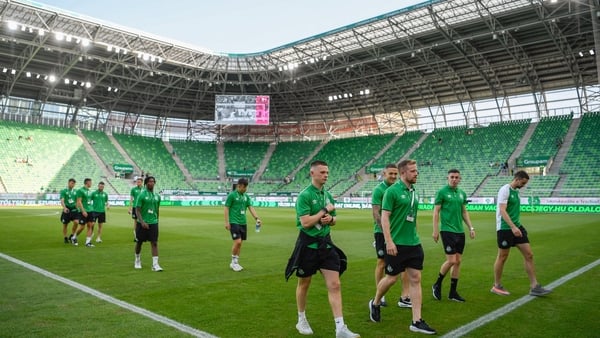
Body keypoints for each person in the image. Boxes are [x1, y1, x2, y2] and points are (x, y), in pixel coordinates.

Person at [285, 160, 359, 338]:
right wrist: (323, 212)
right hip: (308, 246)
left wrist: (330, 220)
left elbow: (334, 219)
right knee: (304, 283)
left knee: (335, 284)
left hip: (326, 245)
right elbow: (305, 222)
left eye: (327, 172)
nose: (326, 175)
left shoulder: (328, 194)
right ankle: (301, 319)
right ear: (312, 174)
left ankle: (340, 328)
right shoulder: (304, 195)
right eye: (322, 172)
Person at [369, 160, 436, 335]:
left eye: (417, 171)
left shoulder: (414, 192)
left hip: (413, 243)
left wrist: (416, 236)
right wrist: (389, 241)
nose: (416, 173)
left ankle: (416, 321)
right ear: (403, 173)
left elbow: (413, 217)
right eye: (413, 171)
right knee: (391, 278)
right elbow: (384, 218)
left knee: (415, 279)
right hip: (396, 243)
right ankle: (375, 302)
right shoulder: (391, 192)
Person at [491, 170, 551, 297]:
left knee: (529, 255)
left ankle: (535, 286)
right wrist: (512, 227)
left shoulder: (516, 192)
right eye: (523, 182)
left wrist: (516, 226)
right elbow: (502, 210)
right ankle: (496, 285)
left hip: (517, 227)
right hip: (505, 228)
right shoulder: (505, 190)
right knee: (502, 257)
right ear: (517, 179)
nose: (523, 185)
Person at [431, 169, 475, 302]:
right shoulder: (442, 192)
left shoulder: (462, 193)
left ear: (460, 179)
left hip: (460, 232)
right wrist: (435, 230)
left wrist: (471, 227)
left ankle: (452, 292)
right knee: (451, 260)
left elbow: (464, 212)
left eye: (457, 177)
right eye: (452, 177)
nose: (454, 179)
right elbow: (436, 212)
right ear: (447, 178)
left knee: (458, 262)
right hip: (447, 230)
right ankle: (437, 284)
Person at [371, 163, 411, 308]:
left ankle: (405, 296)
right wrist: (386, 232)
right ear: (384, 173)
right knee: (381, 263)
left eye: (395, 174)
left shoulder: (400, 188)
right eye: (390, 174)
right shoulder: (379, 190)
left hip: (400, 232)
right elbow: (376, 213)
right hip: (382, 233)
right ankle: (380, 296)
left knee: (405, 265)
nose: (393, 176)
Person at [224, 178, 261, 272]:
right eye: (244, 187)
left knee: (240, 244)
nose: (246, 189)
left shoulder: (246, 196)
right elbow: (226, 208)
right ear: (239, 186)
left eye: (246, 187)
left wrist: (257, 218)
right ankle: (233, 262)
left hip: (243, 222)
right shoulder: (232, 195)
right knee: (238, 242)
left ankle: (236, 263)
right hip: (234, 221)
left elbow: (250, 207)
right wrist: (227, 222)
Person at [134, 176, 163, 271]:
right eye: (150, 181)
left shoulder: (157, 196)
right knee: (139, 242)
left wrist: (157, 220)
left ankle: (155, 265)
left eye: (153, 181)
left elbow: (157, 209)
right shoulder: (141, 195)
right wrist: (142, 222)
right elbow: (137, 210)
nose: (152, 183)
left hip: (153, 223)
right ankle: (137, 260)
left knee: (154, 243)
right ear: (146, 183)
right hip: (142, 223)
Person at [74, 178, 95, 247]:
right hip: (84, 211)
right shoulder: (80, 190)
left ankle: (88, 242)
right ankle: (74, 237)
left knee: (90, 225)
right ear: (87, 183)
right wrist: (83, 211)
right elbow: (79, 201)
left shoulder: (89, 191)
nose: (91, 184)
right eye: (90, 182)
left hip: (90, 210)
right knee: (82, 227)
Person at [60, 178, 80, 244]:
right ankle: (65, 237)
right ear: (68, 183)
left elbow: (77, 200)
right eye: (72, 183)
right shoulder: (63, 191)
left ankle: (72, 235)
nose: (73, 184)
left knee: (76, 222)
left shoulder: (76, 191)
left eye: (74, 183)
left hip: (74, 210)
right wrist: (64, 208)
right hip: (67, 210)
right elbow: (62, 200)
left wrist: (77, 206)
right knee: (65, 225)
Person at [129, 177, 144, 242]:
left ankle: (142, 235)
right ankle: (135, 236)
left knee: (142, 221)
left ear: (142, 182)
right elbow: (131, 199)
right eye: (137, 182)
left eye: (139, 182)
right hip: (135, 207)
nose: (138, 183)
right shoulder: (133, 189)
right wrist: (130, 208)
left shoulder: (144, 189)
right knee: (135, 222)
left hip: (143, 207)